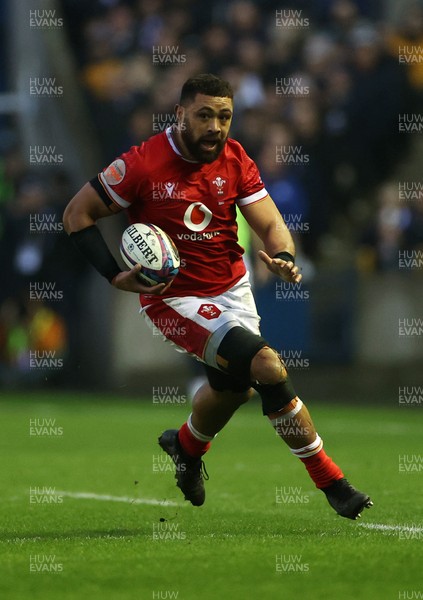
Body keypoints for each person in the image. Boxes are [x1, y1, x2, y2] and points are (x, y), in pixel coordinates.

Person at [63, 73, 372, 520]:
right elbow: (77, 214)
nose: (215, 127)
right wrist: (114, 275)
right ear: (180, 114)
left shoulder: (235, 157)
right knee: (266, 366)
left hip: (233, 287)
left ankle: (185, 447)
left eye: (224, 116)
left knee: (233, 391)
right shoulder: (142, 164)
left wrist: (283, 253)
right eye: (204, 115)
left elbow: (270, 223)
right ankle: (333, 483)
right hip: (175, 299)